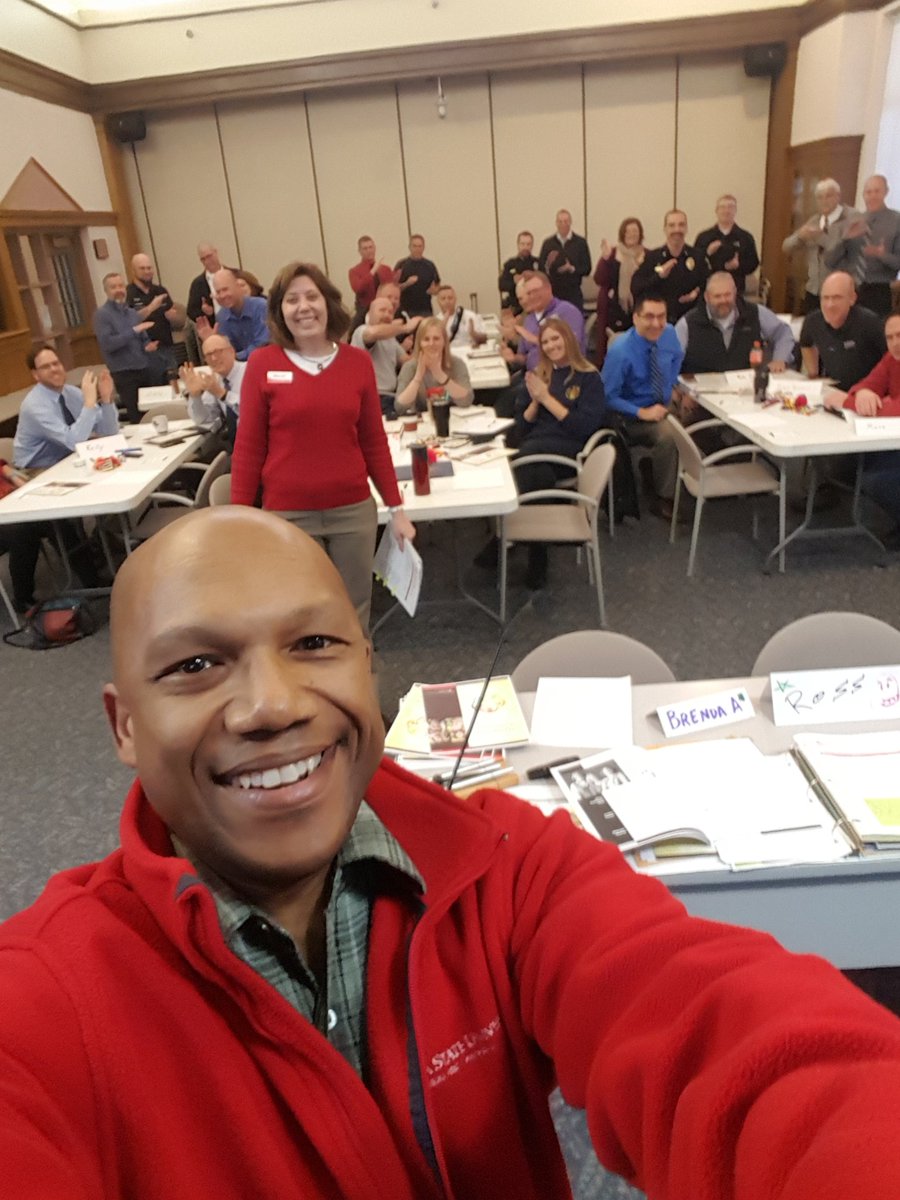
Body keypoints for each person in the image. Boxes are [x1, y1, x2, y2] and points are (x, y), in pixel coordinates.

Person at [6, 506, 900, 1199]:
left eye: (315, 644)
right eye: (196, 667)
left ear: (368, 665)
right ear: (124, 724)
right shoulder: (48, 1002)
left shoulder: (508, 871)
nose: (272, 705)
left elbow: (736, 1040)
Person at [229, 261, 414, 629]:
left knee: (354, 610)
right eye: (292, 300)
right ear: (280, 311)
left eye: (311, 296)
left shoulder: (357, 363)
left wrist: (396, 508)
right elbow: (248, 449)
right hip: (287, 515)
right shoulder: (263, 364)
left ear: (328, 303)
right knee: (298, 614)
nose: (304, 307)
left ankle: (359, 681)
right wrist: (238, 521)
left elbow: (373, 442)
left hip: (352, 512)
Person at [510, 317, 606, 587]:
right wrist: (534, 402)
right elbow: (522, 426)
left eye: (556, 338)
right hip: (537, 448)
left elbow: (583, 426)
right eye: (546, 341)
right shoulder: (542, 375)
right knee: (534, 472)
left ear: (569, 338)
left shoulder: (589, 377)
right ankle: (537, 554)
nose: (552, 345)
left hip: (570, 450)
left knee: (523, 464)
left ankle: (507, 540)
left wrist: (546, 399)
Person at [601, 291, 684, 520]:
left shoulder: (669, 334)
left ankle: (663, 470)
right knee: (670, 434)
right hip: (631, 415)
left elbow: (677, 357)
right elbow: (607, 397)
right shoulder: (621, 351)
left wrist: (675, 386)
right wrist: (642, 412)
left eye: (661, 316)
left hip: (664, 404)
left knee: (702, 417)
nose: (656, 323)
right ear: (635, 318)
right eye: (649, 317)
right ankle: (663, 496)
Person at [825, 312, 900, 545]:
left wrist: (847, 400)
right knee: (847, 466)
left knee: (875, 479)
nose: (895, 343)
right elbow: (865, 385)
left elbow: (891, 410)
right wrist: (864, 394)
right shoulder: (891, 359)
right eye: (890, 338)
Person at [15, 345, 119, 468]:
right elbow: (73, 441)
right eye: (45, 367)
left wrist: (106, 400)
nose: (54, 369)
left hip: (69, 459)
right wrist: (89, 404)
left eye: (56, 363)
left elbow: (109, 431)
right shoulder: (34, 406)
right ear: (35, 374)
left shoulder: (72, 392)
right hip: (37, 470)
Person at [675, 271, 796, 374]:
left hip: (745, 388)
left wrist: (780, 359)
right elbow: (670, 360)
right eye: (717, 296)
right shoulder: (687, 323)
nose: (723, 300)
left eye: (728, 295)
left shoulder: (755, 313)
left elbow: (783, 332)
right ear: (707, 297)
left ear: (735, 293)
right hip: (700, 392)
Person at [824, 174, 900, 317]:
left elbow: (898, 263)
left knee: (875, 335)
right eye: (868, 192)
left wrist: (880, 254)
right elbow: (829, 261)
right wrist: (845, 239)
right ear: (863, 195)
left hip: (879, 291)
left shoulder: (896, 221)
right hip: (850, 290)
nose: (872, 196)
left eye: (877, 191)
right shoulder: (851, 221)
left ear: (886, 192)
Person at [92, 271, 163, 422]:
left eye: (120, 286)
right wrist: (133, 331)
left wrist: (148, 345)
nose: (118, 290)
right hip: (124, 373)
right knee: (137, 417)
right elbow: (108, 344)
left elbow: (142, 338)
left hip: (144, 368)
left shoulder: (132, 313)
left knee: (153, 413)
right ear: (106, 291)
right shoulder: (101, 315)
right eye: (113, 287)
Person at [800, 271, 886, 391]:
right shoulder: (813, 321)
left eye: (837, 298)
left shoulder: (870, 323)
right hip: (833, 391)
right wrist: (814, 374)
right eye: (825, 298)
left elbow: (892, 356)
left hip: (868, 394)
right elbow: (805, 343)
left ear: (852, 298)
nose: (830, 305)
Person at [782, 178, 859, 313]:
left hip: (839, 292)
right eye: (819, 197)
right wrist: (800, 235)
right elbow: (786, 246)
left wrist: (819, 237)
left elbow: (840, 251)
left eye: (828, 196)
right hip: (814, 290)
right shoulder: (815, 220)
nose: (824, 201)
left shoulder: (852, 218)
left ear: (838, 196)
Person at [632, 209, 708, 323]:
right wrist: (659, 276)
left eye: (681, 225)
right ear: (665, 229)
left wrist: (696, 294)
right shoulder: (652, 257)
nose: (677, 229)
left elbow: (709, 285)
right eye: (672, 225)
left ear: (686, 228)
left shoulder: (698, 256)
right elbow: (636, 288)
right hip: (659, 322)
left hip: (691, 320)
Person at [593, 217, 645, 365]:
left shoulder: (647, 254)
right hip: (612, 308)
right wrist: (605, 258)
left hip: (637, 309)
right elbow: (599, 279)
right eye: (628, 231)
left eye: (635, 231)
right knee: (613, 352)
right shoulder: (613, 252)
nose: (631, 234)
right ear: (622, 233)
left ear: (640, 233)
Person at [394, 317, 474, 414]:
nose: (431, 344)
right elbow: (400, 407)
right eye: (426, 339)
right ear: (419, 343)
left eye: (436, 339)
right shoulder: (409, 367)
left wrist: (439, 373)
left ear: (444, 342)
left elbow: (467, 400)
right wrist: (418, 377)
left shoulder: (456, 363)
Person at [179, 333, 246, 447]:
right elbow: (204, 421)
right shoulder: (215, 380)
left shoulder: (251, 371)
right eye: (209, 355)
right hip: (234, 445)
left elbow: (255, 412)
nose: (214, 358)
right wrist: (195, 396)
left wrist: (222, 393)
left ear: (231, 351)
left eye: (218, 352)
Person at [0, 457, 47, 613]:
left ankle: (90, 579)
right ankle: (23, 597)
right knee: (21, 531)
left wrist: (7, 471)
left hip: (10, 501)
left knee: (52, 516)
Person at [349, 294, 410, 414]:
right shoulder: (361, 331)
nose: (387, 315)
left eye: (390, 312)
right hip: (371, 400)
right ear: (370, 313)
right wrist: (405, 328)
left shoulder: (390, 339)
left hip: (391, 398)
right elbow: (372, 334)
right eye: (382, 310)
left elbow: (407, 361)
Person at [694, 194, 760, 296]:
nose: (726, 211)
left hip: (736, 290)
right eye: (723, 207)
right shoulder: (704, 237)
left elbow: (754, 263)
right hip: (709, 290)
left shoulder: (745, 237)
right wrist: (707, 253)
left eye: (730, 207)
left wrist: (739, 266)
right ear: (716, 211)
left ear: (735, 211)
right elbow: (695, 264)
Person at [199, 268, 269, 361]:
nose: (222, 295)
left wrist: (234, 356)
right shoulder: (221, 316)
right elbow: (225, 354)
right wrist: (213, 342)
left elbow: (263, 346)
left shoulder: (261, 307)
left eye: (225, 289)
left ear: (237, 286)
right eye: (218, 292)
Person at [126, 252, 177, 371]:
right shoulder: (128, 294)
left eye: (149, 268)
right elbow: (130, 321)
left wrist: (174, 316)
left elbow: (174, 315)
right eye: (142, 268)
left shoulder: (160, 290)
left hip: (166, 346)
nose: (147, 271)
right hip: (144, 350)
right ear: (133, 271)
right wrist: (151, 307)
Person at [538, 209, 592, 312]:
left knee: (574, 324)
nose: (563, 224)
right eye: (560, 221)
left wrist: (572, 269)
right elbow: (541, 269)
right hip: (553, 293)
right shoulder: (548, 243)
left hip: (573, 293)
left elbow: (587, 268)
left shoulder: (580, 243)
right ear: (556, 223)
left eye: (566, 221)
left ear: (570, 222)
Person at [348, 235, 395, 322]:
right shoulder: (354, 271)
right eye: (365, 248)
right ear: (360, 251)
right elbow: (358, 289)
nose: (369, 251)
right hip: (365, 311)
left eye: (370, 247)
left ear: (374, 248)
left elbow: (392, 290)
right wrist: (372, 271)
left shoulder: (386, 269)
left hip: (386, 311)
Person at [394, 234, 440, 317]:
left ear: (423, 247)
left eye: (420, 246)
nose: (417, 249)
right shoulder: (401, 265)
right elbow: (393, 288)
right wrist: (406, 284)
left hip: (425, 310)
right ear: (409, 247)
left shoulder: (429, 265)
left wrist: (434, 291)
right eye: (414, 246)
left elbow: (437, 286)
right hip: (405, 311)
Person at [186, 242, 232, 322]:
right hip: (214, 327)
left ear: (216, 252)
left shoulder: (234, 274)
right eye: (203, 259)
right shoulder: (198, 284)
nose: (207, 261)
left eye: (209, 256)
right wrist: (206, 313)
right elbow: (191, 312)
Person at [435, 284, 486, 350]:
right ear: (438, 301)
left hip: (468, 350)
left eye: (450, 298)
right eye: (443, 299)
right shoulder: (435, 320)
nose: (447, 301)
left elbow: (483, 339)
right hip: (448, 353)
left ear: (455, 299)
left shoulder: (469, 315)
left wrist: (473, 334)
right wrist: (443, 324)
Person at [498, 230, 539, 313]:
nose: (525, 247)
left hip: (534, 306)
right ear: (518, 245)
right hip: (515, 306)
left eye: (528, 244)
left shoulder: (537, 263)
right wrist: (515, 282)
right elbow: (502, 285)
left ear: (532, 245)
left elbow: (545, 284)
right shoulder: (510, 264)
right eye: (523, 244)